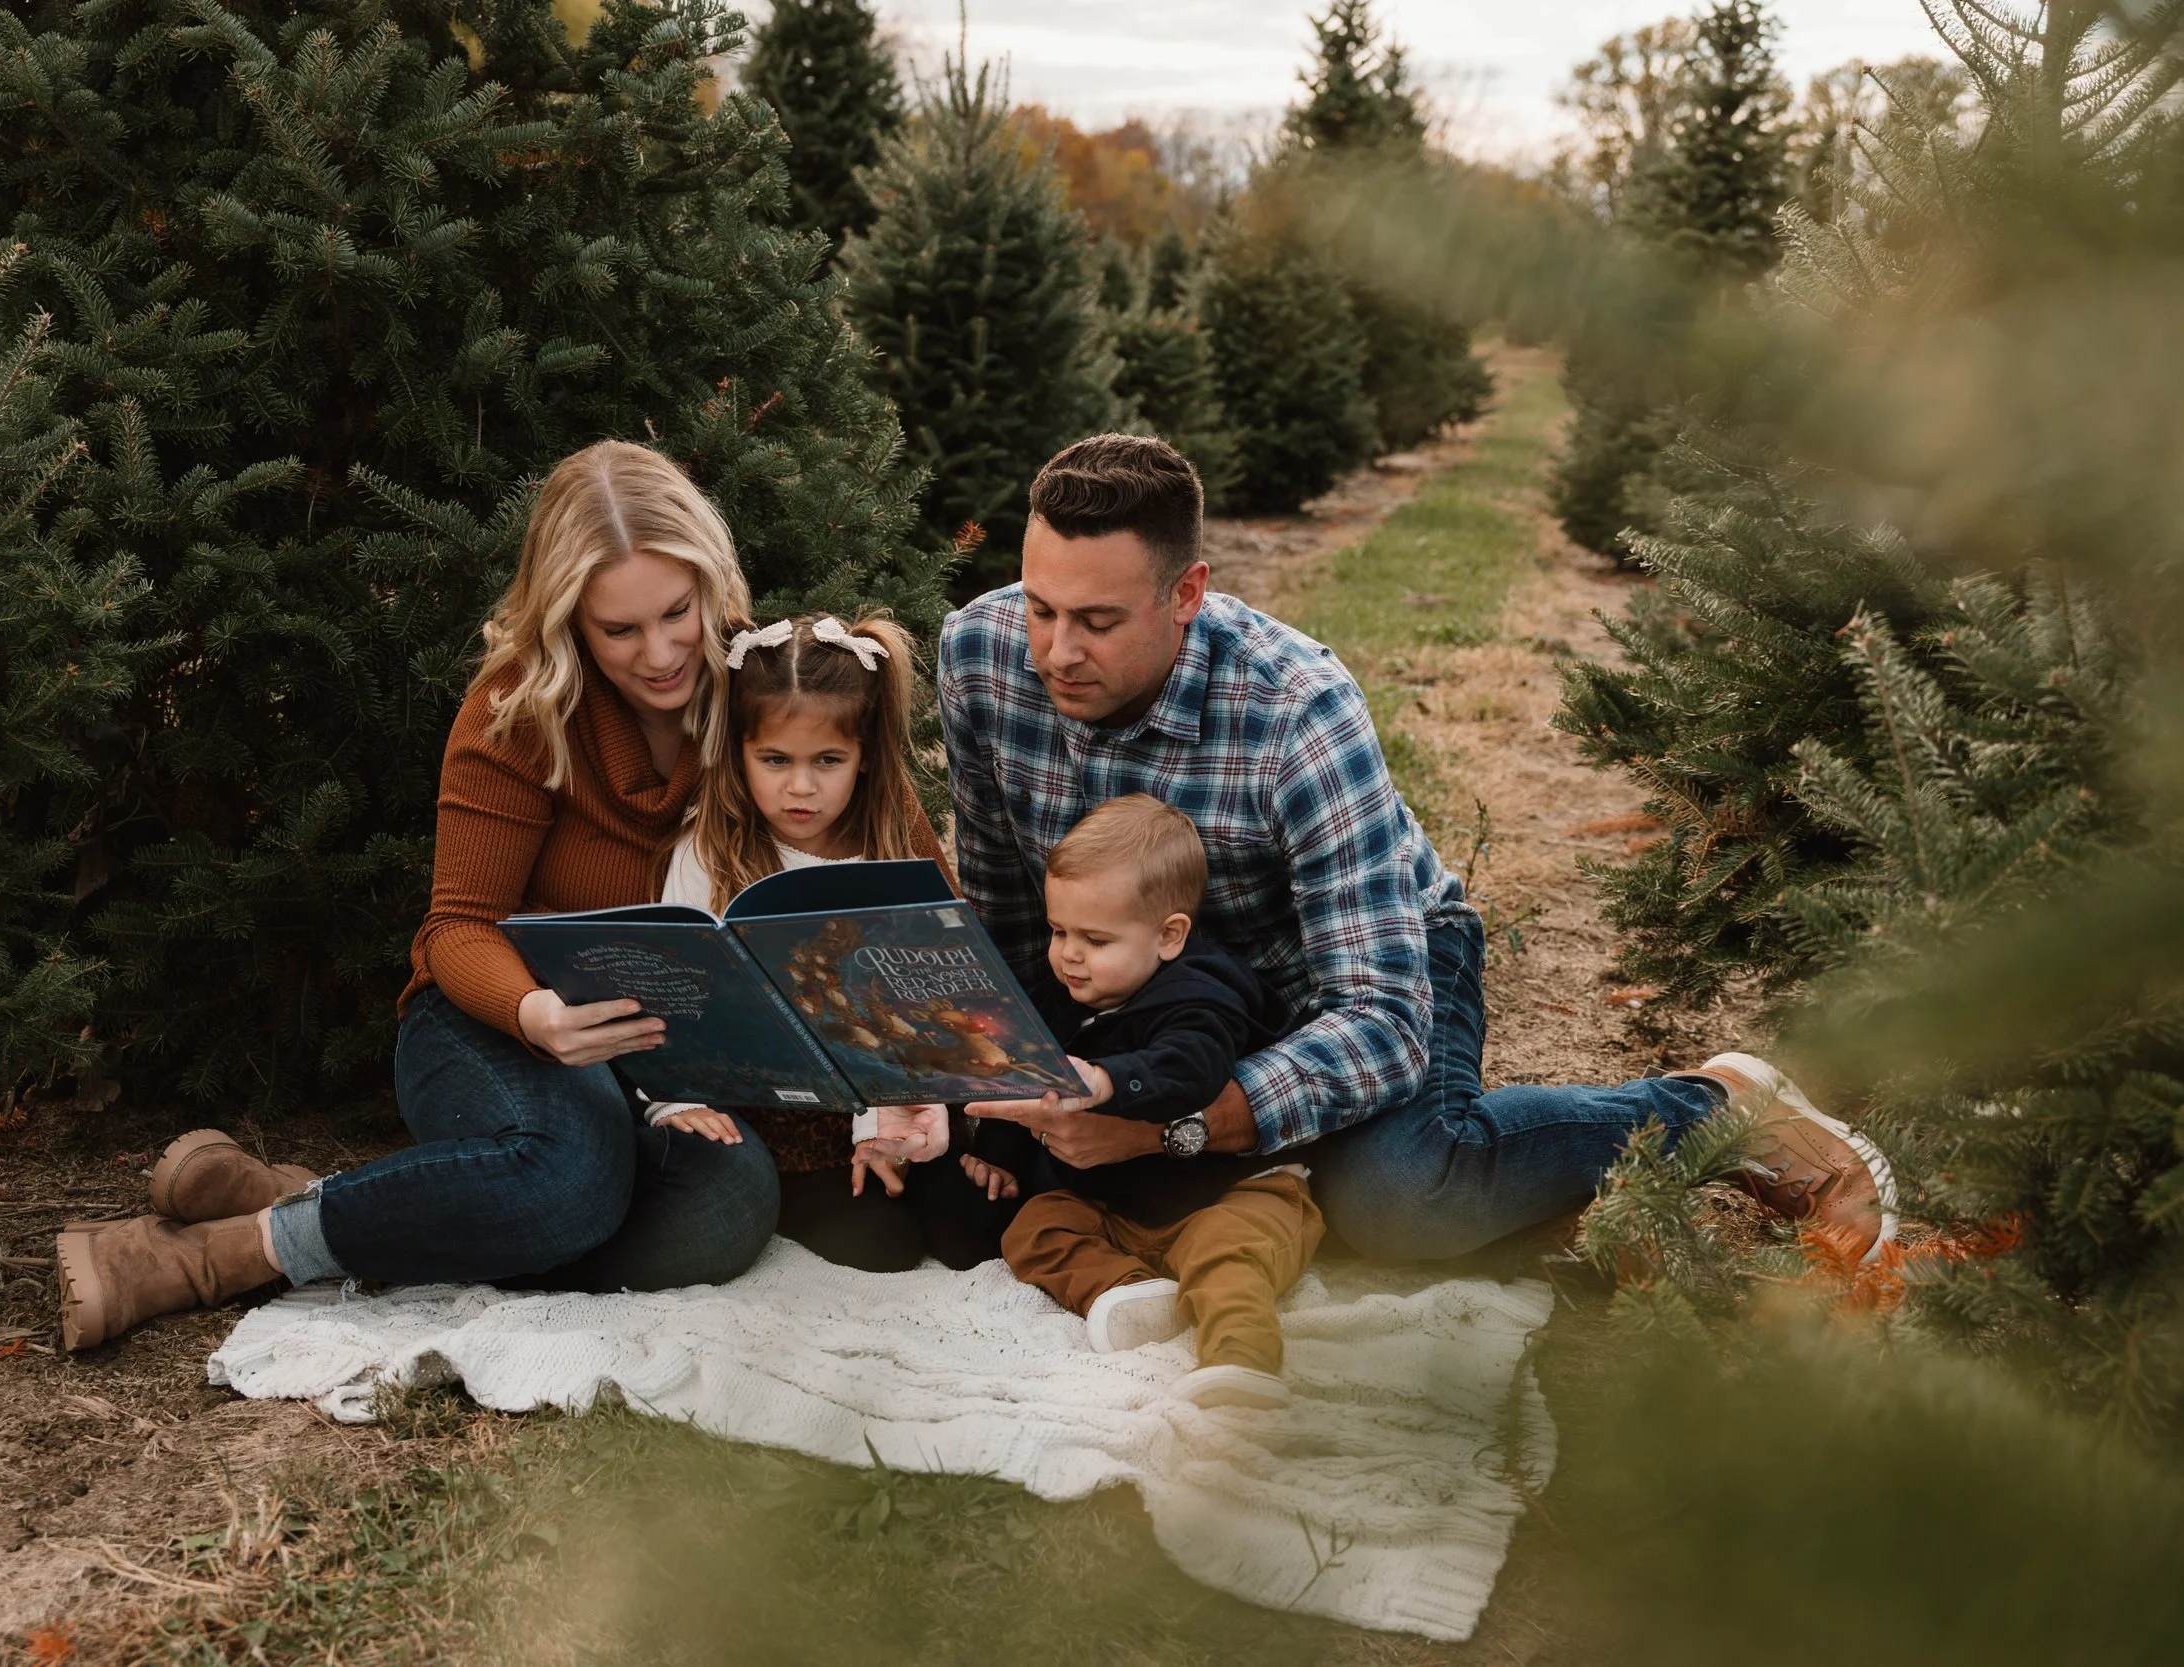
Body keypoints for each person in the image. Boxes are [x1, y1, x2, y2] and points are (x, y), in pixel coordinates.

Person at [946, 433, 1897, 1269]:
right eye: (1040, 609)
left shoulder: (1298, 711)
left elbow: (1382, 1022)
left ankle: (1713, 1106)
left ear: (1188, 592)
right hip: (1143, 995)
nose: (1056, 651)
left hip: (1349, 968)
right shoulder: (980, 657)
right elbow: (1005, 924)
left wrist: (1174, 1128)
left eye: (1098, 621)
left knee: (1399, 1199)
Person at [59, 441, 788, 1349]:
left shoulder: (770, 687)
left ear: (711, 583)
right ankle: (218, 1254)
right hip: (491, 1025)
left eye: (678, 612)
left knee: (730, 1201)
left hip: (658, 1070)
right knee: (567, 1180)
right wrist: (536, 1015)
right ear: (569, 619)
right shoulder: (517, 710)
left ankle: (318, 1200)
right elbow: (457, 927)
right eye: (620, 630)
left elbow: (894, 856)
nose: (661, 652)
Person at [647, 611, 1017, 1272]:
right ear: (739, 750)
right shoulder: (707, 850)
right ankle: (815, 1193)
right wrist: (679, 1100)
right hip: (780, 1116)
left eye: (827, 760)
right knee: (884, 1247)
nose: (800, 786)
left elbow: (939, 1000)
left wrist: (905, 1111)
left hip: (894, 1094)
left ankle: (906, 1163)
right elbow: (673, 993)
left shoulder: (889, 849)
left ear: (865, 755)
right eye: (774, 759)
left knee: (975, 1231)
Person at [962, 795, 1323, 1410]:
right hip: (1117, 1206)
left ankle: (1242, 1361)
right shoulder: (1063, 992)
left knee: (1229, 1259)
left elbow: (1194, 1068)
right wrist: (997, 1150)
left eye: (1095, 939)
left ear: (1169, 935)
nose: (1069, 954)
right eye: (1059, 931)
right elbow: (1028, 1083)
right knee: (1034, 1229)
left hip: (1227, 1192)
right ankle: (1126, 1291)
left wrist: (1106, 1079)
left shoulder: (1203, 995)